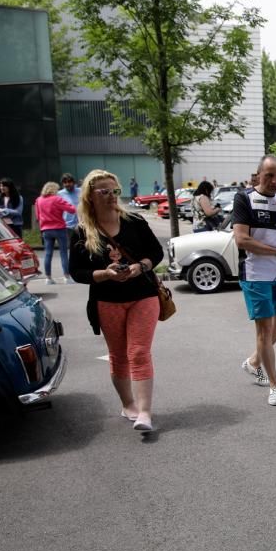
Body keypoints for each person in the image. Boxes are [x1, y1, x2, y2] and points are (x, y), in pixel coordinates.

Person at [69, 169, 165, 432]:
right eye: (104, 191)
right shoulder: (80, 232)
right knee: (119, 356)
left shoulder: (134, 221)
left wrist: (141, 267)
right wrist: (105, 274)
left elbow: (156, 252)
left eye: (115, 191)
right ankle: (128, 405)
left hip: (142, 296)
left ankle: (145, 412)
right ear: (90, 196)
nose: (111, 196)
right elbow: (76, 272)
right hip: (107, 300)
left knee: (138, 352)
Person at [232, 155, 276, 407]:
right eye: (269, 174)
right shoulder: (244, 198)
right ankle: (274, 386)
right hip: (255, 275)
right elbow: (242, 240)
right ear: (259, 174)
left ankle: (253, 362)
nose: (274, 180)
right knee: (265, 331)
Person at [35, 181, 78, 284]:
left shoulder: (38, 200)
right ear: (54, 190)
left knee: (48, 253)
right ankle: (67, 277)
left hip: (46, 229)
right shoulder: (57, 199)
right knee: (63, 253)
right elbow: (72, 210)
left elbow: (37, 216)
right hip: (59, 228)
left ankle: (48, 278)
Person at [58, 173, 81, 244]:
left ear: (74, 182)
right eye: (65, 182)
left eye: (69, 182)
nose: (67, 184)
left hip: (80, 223)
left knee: (81, 244)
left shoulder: (80, 191)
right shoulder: (59, 194)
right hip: (67, 224)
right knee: (70, 245)